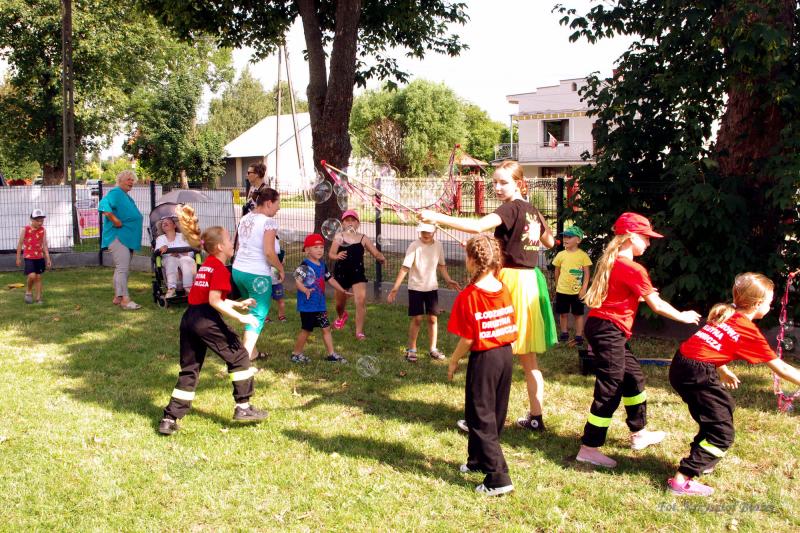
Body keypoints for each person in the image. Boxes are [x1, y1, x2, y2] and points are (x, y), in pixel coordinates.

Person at [421, 160, 557, 432]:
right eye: (494, 182)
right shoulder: (532, 210)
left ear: (519, 183)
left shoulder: (510, 208)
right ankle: (536, 417)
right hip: (529, 282)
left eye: (504, 182)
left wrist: (437, 217)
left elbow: (478, 226)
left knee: (491, 350)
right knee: (528, 358)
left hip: (509, 282)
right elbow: (550, 241)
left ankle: (481, 420)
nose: (497, 187)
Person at [576, 212, 701, 468]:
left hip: (604, 327)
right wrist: (683, 315)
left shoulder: (613, 262)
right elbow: (657, 305)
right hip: (608, 330)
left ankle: (639, 433)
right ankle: (589, 447)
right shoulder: (633, 268)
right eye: (646, 237)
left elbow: (623, 293)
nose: (648, 242)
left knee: (633, 378)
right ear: (631, 237)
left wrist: (641, 294)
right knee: (610, 387)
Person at [667, 273, 800, 496]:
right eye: (769, 302)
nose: (770, 306)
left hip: (683, 365)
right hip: (696, 373)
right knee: (722, 434)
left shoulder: (727, 313)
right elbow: (782, 369)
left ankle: (703, 459)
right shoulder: (747, 330)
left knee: (722, 409)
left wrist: (723, 369)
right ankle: (681, 480)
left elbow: (712, 344)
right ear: (758, 304)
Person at [158, 205, 268, 435]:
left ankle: (170, 418)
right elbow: (215, 301)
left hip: (190, 318)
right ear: (220, 247)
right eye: (229, 240)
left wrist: (237, 304)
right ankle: (243, 407)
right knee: (239, 355)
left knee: (190, 368)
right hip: (205, 320)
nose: (232, 243)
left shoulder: (208, 265)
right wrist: (242, 317)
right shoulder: (219, 269)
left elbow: (209, 297)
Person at [447, 235, 517, 496]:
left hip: (485, 358)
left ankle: (498, 478)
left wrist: (453, 360)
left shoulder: (470, 295)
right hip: (505, 355)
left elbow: (467, 338)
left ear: (472, 260)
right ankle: (477, 460)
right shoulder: (503, 287)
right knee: (492, 412)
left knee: (480, 416)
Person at [387, 222, 460, 362]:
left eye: (429, 232)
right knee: (417, 318)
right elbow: (405, 268)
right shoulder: (414, 246)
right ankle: (412, 349)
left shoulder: (438, 245)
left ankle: (433, 349)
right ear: (419, 232)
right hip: (416, 288)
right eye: (423, 232)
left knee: (433, 319)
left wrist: (448, 279)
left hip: (431, 287)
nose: (426, 234)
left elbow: (442, 265)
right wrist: (395, 288)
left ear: (434, 231)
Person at [232, 187, 284, 361]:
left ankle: (252, 352)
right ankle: (244, 359)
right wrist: (280, 268)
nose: (278, 208)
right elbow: (269, 252)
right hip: (257, 275)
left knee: (251, 310)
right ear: (269, 203)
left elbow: (238, 245)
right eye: (277, 204)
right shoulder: (269, 222)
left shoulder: (245, 218)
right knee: (257, 315)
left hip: (238, 271)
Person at [292, 233, 350, 363]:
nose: (319, 250)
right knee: (306, 330)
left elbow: (330, 279)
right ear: (307, 250)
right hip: (308, 306)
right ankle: (296, 354)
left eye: (321, 247)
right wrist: (305, 290)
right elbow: (297, 282)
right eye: (315, 247)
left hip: (319, 305)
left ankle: (331, 354)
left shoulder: (322, 264)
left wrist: (342, 290)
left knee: (326, 328)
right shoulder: (304, 265)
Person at [329, 210, 386, 340]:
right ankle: (341, 316)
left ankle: (359, 332)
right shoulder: (339, 237)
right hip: (341, 274)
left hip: (357, 273)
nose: (350, 223)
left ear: (358, 224)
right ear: (342, 224)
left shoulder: (362, 238)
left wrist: (381, 257)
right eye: (347, 220)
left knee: (360, 301)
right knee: (339, 304)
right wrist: (337, 256)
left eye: (353, 220)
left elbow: (375, 253)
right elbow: (331, 254)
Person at [98, 169, 143, 310]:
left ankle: (118, 297)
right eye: (128, 179)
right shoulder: (116, 192)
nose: (131, 182)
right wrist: (114, 219)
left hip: (127, 238)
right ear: (120, 180)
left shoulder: (125, 196)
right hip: (118, 237)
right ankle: (125, 300)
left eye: (132, 180)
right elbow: (103, 204)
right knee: (123, 269)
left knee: (121, 269)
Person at [552, 225, 592, 346]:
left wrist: (584, 289)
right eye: (564, 237)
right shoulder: (560, 255)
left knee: (578, 314)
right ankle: (564, 334)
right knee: (563, 313)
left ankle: (579, 336)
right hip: (562, 291)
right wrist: (557, 285)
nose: (565, 239)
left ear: (578, 240)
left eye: (569, 237)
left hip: (577, 292)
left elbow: (587, 273)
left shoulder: (583, 256)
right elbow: (557, 271)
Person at [15, 208, 51, 304]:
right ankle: (28, 291)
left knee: (38, 277)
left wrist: (48, 258)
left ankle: (38, 298)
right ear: (31, 219)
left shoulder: (43, 230)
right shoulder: (25, 229)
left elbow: (44, 245)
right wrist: (18, 258)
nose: (40, 223)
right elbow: (20, 244)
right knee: (32, 276)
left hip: (39, 257)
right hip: (29, 257)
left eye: (42, 221)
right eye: (37, 221)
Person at [155, 216, 196, 298]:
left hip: (183, 258)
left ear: (174, 226)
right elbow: (158, 252)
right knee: (171, 259)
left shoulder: (182, 236)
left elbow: (190, 252)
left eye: (168, 222)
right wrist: (164, 250)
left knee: (186, 259)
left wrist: (181, 253)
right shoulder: (160, 238)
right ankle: (171, 288)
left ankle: (188, 287)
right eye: (163, 223)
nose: (165, 223)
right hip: (168, 260)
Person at [266, 236, 287, 323]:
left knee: (281, 300)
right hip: (266, 283)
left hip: (277, 283)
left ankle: (281, 316)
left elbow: (282, 264)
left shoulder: (280, 254)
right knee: (266, 301)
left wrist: (281, 261)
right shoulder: (264, 252)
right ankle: (265, 317)